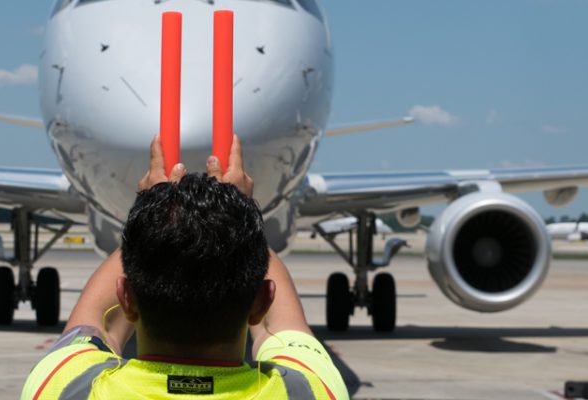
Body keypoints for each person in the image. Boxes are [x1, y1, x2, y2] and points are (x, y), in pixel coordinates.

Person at [21, 135, 348, 399]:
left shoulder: (62, 387)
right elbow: (288, 327)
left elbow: (94, 326)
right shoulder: (311, 390)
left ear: (126, 297)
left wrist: (154, 218)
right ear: (261, 301)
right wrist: (239, 213)